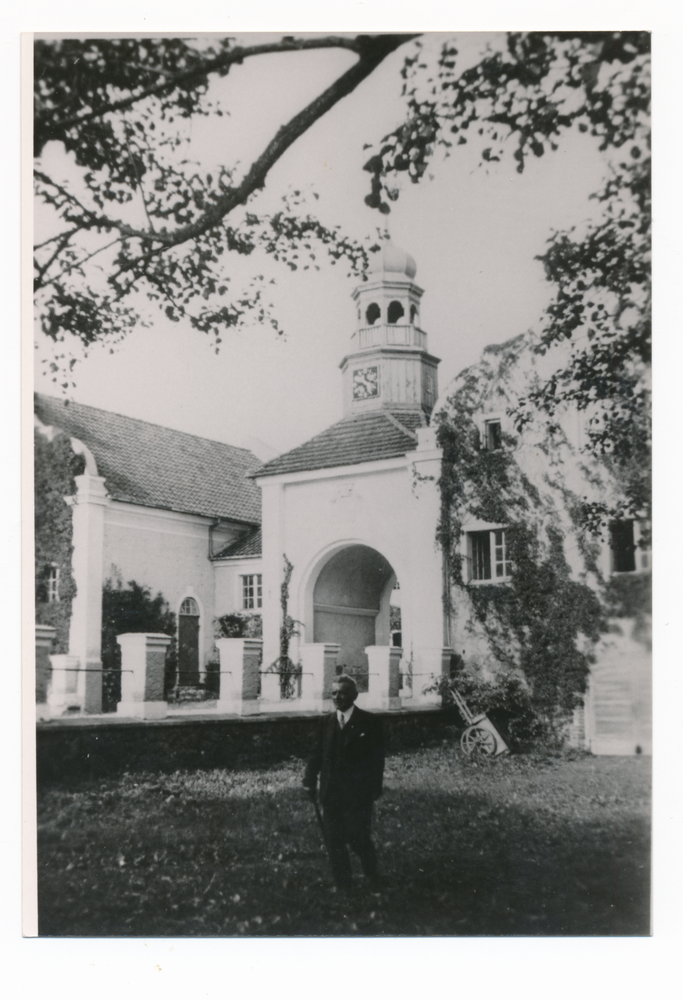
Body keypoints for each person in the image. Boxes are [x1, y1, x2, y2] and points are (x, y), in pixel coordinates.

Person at [303, 674, 385, 892]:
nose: (337, 697)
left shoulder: (369, 722)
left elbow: (377, 759)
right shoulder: (326, 722)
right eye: (334, 693)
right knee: (334, 840)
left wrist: (375, 787)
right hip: (331, 792)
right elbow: (316, 754)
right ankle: (343, 884)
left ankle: (371, 874)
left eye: (343, 692)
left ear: (355, 695)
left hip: (358, 793)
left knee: (358, 837)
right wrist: (309, 780)